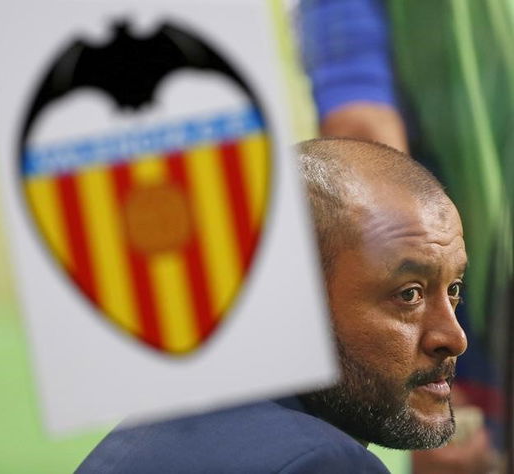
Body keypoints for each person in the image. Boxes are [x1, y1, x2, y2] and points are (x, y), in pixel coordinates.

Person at [77, 138, 469, 473]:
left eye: (453, 289)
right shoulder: (319, 462)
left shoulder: (165, 427)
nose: (453, 337)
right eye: (409, 295)